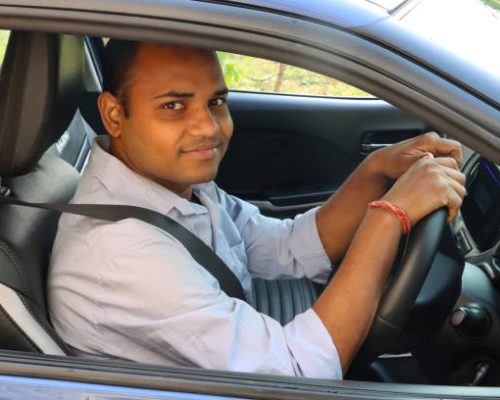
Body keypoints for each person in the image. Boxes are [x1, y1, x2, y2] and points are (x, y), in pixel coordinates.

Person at [48, 40, 466, 380]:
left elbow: (284, 247)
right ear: (114, 114)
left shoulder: (171, 184)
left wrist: (376, 169)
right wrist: (389, 214)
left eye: (216, 102)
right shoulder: (124, 255)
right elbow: (299, 374)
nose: (209, 128)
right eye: (174, 106)